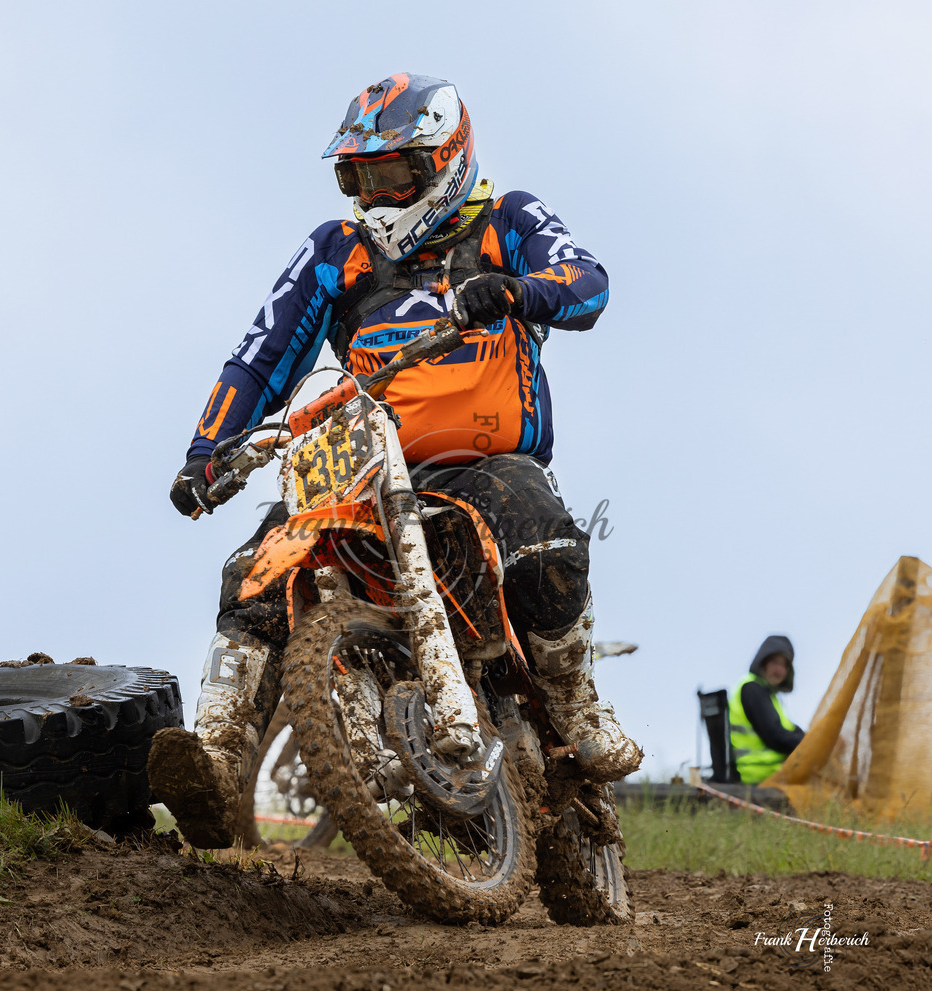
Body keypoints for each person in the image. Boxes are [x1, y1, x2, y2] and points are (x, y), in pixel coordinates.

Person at [147, 73, 642, 847]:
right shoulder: (334, 252)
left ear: (445, 161)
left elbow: (587, 286)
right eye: (359, 178)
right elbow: (259, 362)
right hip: (367, 468)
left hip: (484, 466)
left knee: (544, 541)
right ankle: (214, 760)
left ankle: (577, 703)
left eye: (392, 175)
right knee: (255, 575)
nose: (376, 197)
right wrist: (206, 452)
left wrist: (514, 290)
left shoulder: (507, 217)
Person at [728, 635, 805, 784]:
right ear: (763, 662)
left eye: (784, 665)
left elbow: (788, 730)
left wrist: (811, 737)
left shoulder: (770, 694)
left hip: (770, 770)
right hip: (758, 772)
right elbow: (775, 736)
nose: (779, 670)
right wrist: (808, 744)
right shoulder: (753, 689)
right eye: (775, 662)